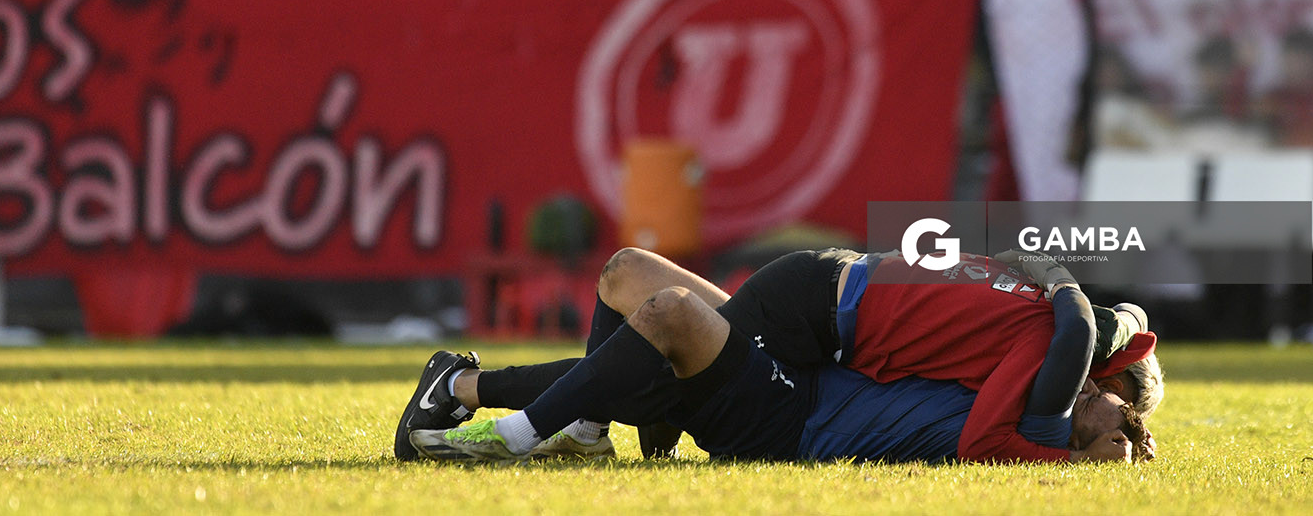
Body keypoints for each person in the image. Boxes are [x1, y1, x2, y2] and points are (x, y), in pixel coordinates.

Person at [402, 247, 1158, 464]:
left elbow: (1003, 431)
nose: (1099, 394)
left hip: (792, 405)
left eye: (1109, 400)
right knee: (626, 273)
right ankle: (589, 425)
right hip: (813, 333)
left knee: (663, 326)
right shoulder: (1033, 345)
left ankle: (491, 409)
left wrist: (1078, 298)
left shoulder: (1042, 399)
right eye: (1108, 391)